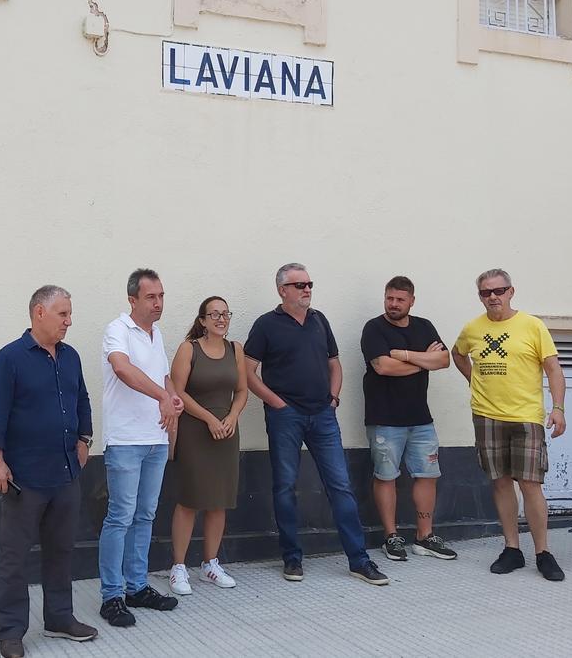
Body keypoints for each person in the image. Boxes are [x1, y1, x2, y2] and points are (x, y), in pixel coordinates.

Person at [243, 263, 388, 586]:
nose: (307, 289)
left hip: (323, 415)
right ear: (282, 290)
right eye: (299, 285)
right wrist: (276, 403)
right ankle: (292, 558)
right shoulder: (266, 325)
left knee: (340, 487)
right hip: (286, 417)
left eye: (309, 284)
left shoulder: (319, 320)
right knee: (285, 487)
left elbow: (334, 363)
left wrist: (333, 398)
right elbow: (248, 371)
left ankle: (359, 560)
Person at [0, 285, 99, 658]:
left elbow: (81, 399)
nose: (69, 321)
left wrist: (85, 440)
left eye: (70, 313)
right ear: (39, 313)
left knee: (61, 550)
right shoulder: (10, 359)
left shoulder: (70, 357)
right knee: (15, 556)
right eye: (62, 314)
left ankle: (60, 618)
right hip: (24, 477)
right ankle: (11, 631)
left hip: (65, 472)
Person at [452, 268, 568, 582]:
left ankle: (543, 552)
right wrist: (474, 382)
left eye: (498, 291)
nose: (492, 297)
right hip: (487, 416)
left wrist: (558, 408)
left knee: (530, 484)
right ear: (480, 296)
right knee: (500, 482)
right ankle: (512, 549)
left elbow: (554, 370)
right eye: (485, 293)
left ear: (511, 292)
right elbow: (458, 354)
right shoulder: (472, 328)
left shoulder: (532, 326)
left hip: (526, 417)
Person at [98, 269, 184, 627]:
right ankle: (111, 596)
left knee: (146, 516)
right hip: (125, 440)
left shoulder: (156, 333)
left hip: (155, 438)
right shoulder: (117, 330)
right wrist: (163, 395)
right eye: (151, 297)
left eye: (161, 295)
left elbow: (162, 375)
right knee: (120, 517)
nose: (158, 303)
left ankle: (136, 586)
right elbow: (123, 370)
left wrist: (173, 397)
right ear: (132, 300)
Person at [361, 276, 457, 562]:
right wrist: (421, 360)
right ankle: (391, 537)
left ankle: (424, 537)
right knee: (386, 477)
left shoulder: (424, 326)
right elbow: (383, 367)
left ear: (411, 301)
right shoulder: (374, 328)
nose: (393, 304)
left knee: (428, 476)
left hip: (420, 419)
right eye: (389, 298)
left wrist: (404, 356)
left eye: (400, 299)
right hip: (385, 419)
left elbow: (443, 360)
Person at [167, 296, 248, 595]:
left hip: (226, 433)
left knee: (219, 500)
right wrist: (208, 419)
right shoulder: (190, 349)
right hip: (195, 431)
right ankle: (178, 567)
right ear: (202, 320)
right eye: (214, 314)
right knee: (190, 499)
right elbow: (178, 392)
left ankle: (210, 564)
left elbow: (241, 390)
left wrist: (232, 415)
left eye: (225, 313)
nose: (220, 318)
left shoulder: (235, 349)